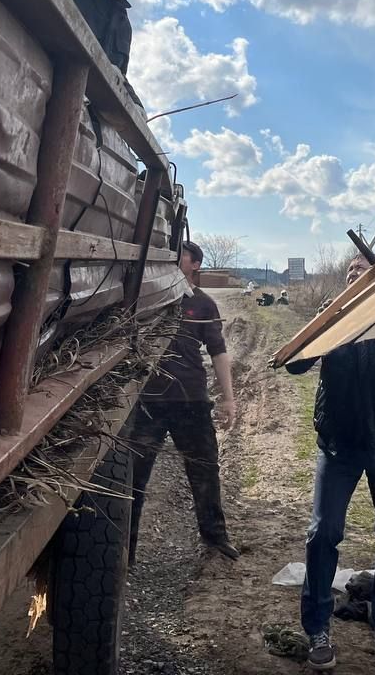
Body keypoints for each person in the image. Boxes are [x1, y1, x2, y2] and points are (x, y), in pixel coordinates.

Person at [285, 255, 375, 673]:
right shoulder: (333, 314)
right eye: (350, 274)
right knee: (323, 534)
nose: (355, 277)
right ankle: (318, 628)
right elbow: (295, 363)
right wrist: (328, 321)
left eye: (364, 272)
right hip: (339, 445)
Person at [127, 240, 240, 564]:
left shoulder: (203, 305)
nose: (171, 261)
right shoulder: (147, 301)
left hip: (191, 401)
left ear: (195, 265)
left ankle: (216, 539)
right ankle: (126, 550)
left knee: (204, 471)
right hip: (149, 402)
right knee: (133, 479)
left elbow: (219, 352)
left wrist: (228, 400)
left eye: (180, 258)